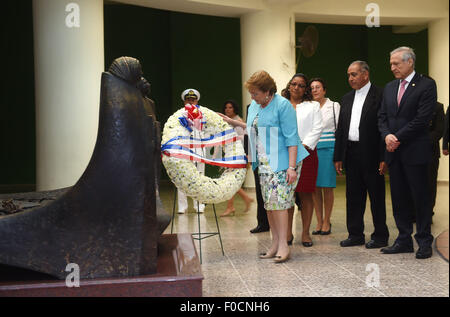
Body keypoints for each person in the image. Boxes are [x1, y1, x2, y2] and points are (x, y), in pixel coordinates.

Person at [219, 70, 308, 263]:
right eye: (251, 93)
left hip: (284, 161)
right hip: (263, 161)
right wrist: (231, 121)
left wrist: (292, 168)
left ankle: (284, 245)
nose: (252, 96)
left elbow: (292, 138)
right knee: (269, 204)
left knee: (280, 203)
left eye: (255, 93)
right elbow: (251, 129)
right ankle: (275, 243)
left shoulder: (283, 105)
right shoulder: (254, 107)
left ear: (267, 91)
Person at [378, 46, 437, 259]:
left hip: (415, 150)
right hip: (394, 152)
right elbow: (382, 117)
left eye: (396, 63)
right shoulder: (389, 87)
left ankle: (423, 241)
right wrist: (387, 136)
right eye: (391, 63)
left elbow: (422, 119)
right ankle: (403, 239)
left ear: (410, 62)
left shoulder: (426, 85)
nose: (392, 67)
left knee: (420, 197)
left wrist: (397, 137)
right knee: (399, 197)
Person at [334, 61, 389, 248]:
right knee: (353, 196)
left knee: (376, 196)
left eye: (354, 74)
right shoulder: (347, 98)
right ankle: (355, 234)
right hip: (351, 152)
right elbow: (341, 128)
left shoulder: (381, 95)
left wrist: (384, 157)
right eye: (349, 75)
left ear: (365, 74)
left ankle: (380, 235)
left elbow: (384, 128)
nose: (350, 78)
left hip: (373, 154)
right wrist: (338, 156)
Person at [282, 73, 323, 247]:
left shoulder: (312, 106)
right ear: (289, 86)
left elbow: (317, 127)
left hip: (306, 153)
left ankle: (305, 233)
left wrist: (304, 145)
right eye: (294, 84)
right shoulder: (281, 105)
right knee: (287, 195)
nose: (296, 88)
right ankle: (287, 233)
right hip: (284, 154)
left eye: (301, 85)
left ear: (305, 89)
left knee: (306, 193)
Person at [310, 78, 340, 235]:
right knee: (314, 188)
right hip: (312, 149)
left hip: (329, 150)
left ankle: (327, 221)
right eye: (312, 88)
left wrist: (339, 155)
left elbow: (340, 129)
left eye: (318, 87)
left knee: (327, 187)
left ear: (324, 90)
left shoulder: (334, 106)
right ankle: (319, 220)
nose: (315, 90)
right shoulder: (309, 107)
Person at [220, 99, 254, 217]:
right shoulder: (228, 122)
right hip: (231, 154)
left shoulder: (238, 121)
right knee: (231, 180)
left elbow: (245, 138)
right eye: (226, 108)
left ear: (234, 109)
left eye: (230, 107)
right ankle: (242, 200)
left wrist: (246, 156)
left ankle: (232, 206)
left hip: (239, 155)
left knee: (230, 180)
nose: (227, 110)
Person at [177, 88, 205, 214]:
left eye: (193, 100)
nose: (190, 102)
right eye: (188, 100)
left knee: (199, 178)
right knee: (182, 177)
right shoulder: (179, 114)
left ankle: (199, 205)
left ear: (197, 100)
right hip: (184, 148)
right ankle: (182, 206)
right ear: (184, 102)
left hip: (199, 149)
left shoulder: (203, 113)